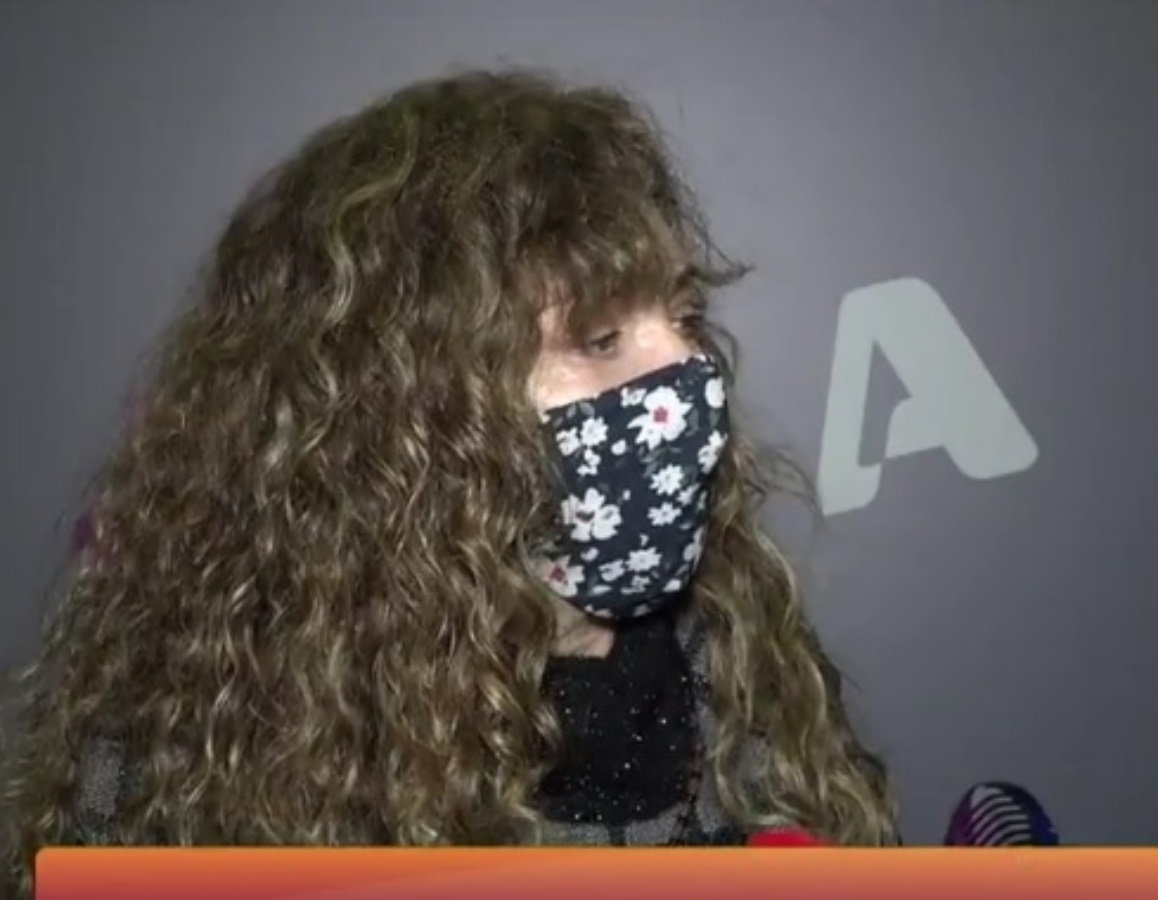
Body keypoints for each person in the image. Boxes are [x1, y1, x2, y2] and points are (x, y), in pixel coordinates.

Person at [0, 68, 896, 894]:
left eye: (686, 318)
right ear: (412, 418)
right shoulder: (198, 767)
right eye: (597, 339)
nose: (690, 375)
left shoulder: (745, 687)